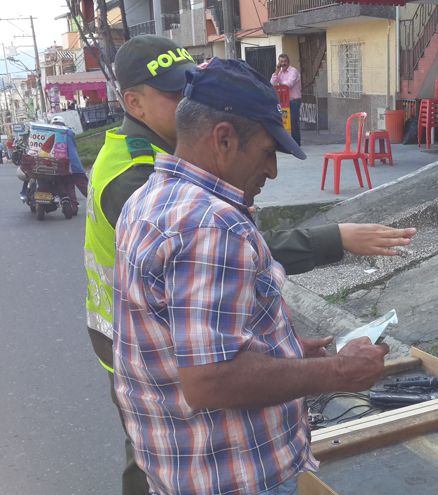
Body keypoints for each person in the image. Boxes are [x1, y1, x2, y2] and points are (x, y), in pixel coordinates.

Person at [83, 35, 414, 495]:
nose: (273, 172)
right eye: (266, 152)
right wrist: (338, 371)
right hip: (229, 478)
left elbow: (193, 331)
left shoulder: (153, 195)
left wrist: (282, 350)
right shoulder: (210, 224)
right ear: (223, 139)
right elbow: (212, 379)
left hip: (188, 467)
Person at [49, 115, 89, 211]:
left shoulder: (51, 134)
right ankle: (99, 204)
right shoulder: (69, 132)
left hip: (61, 167)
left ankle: (73, 208)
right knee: (86, 189)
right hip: (75, 166)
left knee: (69, 187)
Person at [270, 53, 302, 147]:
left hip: (294, 100)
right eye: (281, 62)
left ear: (288, 62)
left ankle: (296, 143)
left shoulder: (293, 71)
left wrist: (280, 84)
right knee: (284, 122)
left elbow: (289, 84)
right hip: (283, 102)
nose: (283, 64)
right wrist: (276, 71)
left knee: (293, 122)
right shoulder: (280, 72)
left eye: (285, 61)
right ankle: (287, 143)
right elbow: (272, 83)